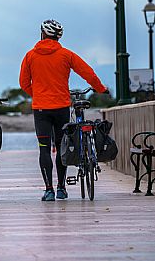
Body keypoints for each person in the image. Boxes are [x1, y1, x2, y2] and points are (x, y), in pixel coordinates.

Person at [19, 19, 108, 201]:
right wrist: (100, 88)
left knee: (44, 149)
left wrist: (37, 94)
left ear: (42, 34)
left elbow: (23, 83)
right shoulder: (66, 54)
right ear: (58, 36)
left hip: (41, 109)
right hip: (61, 108)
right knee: (61, 148)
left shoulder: (30, 56)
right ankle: (61, 188)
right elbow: (87, 72)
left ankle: (48, 190)